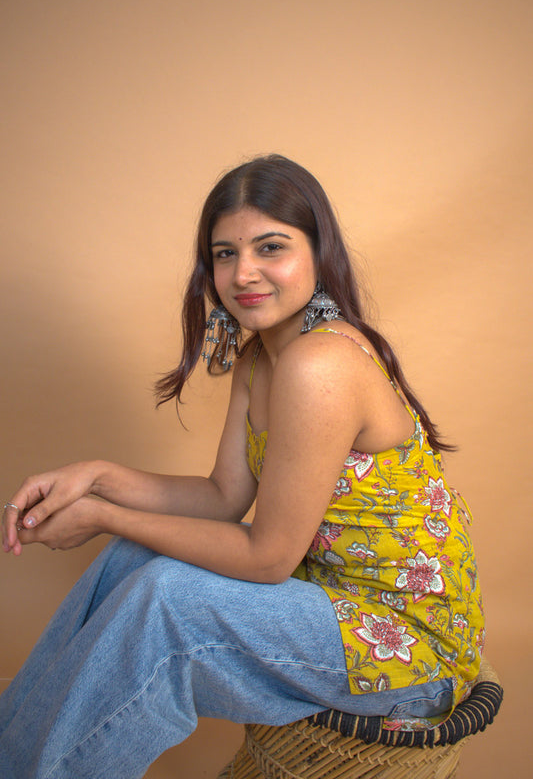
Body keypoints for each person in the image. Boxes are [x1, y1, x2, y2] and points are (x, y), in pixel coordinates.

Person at [0, 155, 484, 779]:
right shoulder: (261, 359)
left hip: (407, 649)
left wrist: (101, 514)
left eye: (270, 247)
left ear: (319, 251)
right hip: (326, 603)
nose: (243, 273)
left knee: (167, 597)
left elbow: (267, 557)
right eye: (224, 253)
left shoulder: (322, 365)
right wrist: (95, 477)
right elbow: (222, 497)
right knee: (131, 559)